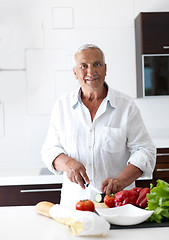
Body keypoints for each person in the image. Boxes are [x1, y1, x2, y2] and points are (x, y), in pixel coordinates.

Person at [41, 44, 156, 208]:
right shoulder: (62, 106)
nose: (91, 72)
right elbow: (50, 149)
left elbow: (145, 151)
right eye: (84, 66)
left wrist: (121, 180)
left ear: (105, 69)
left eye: (97, 64)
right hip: (75, 204)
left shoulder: (126, 106)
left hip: (118, 203)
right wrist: (69, 164)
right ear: (75, 73)